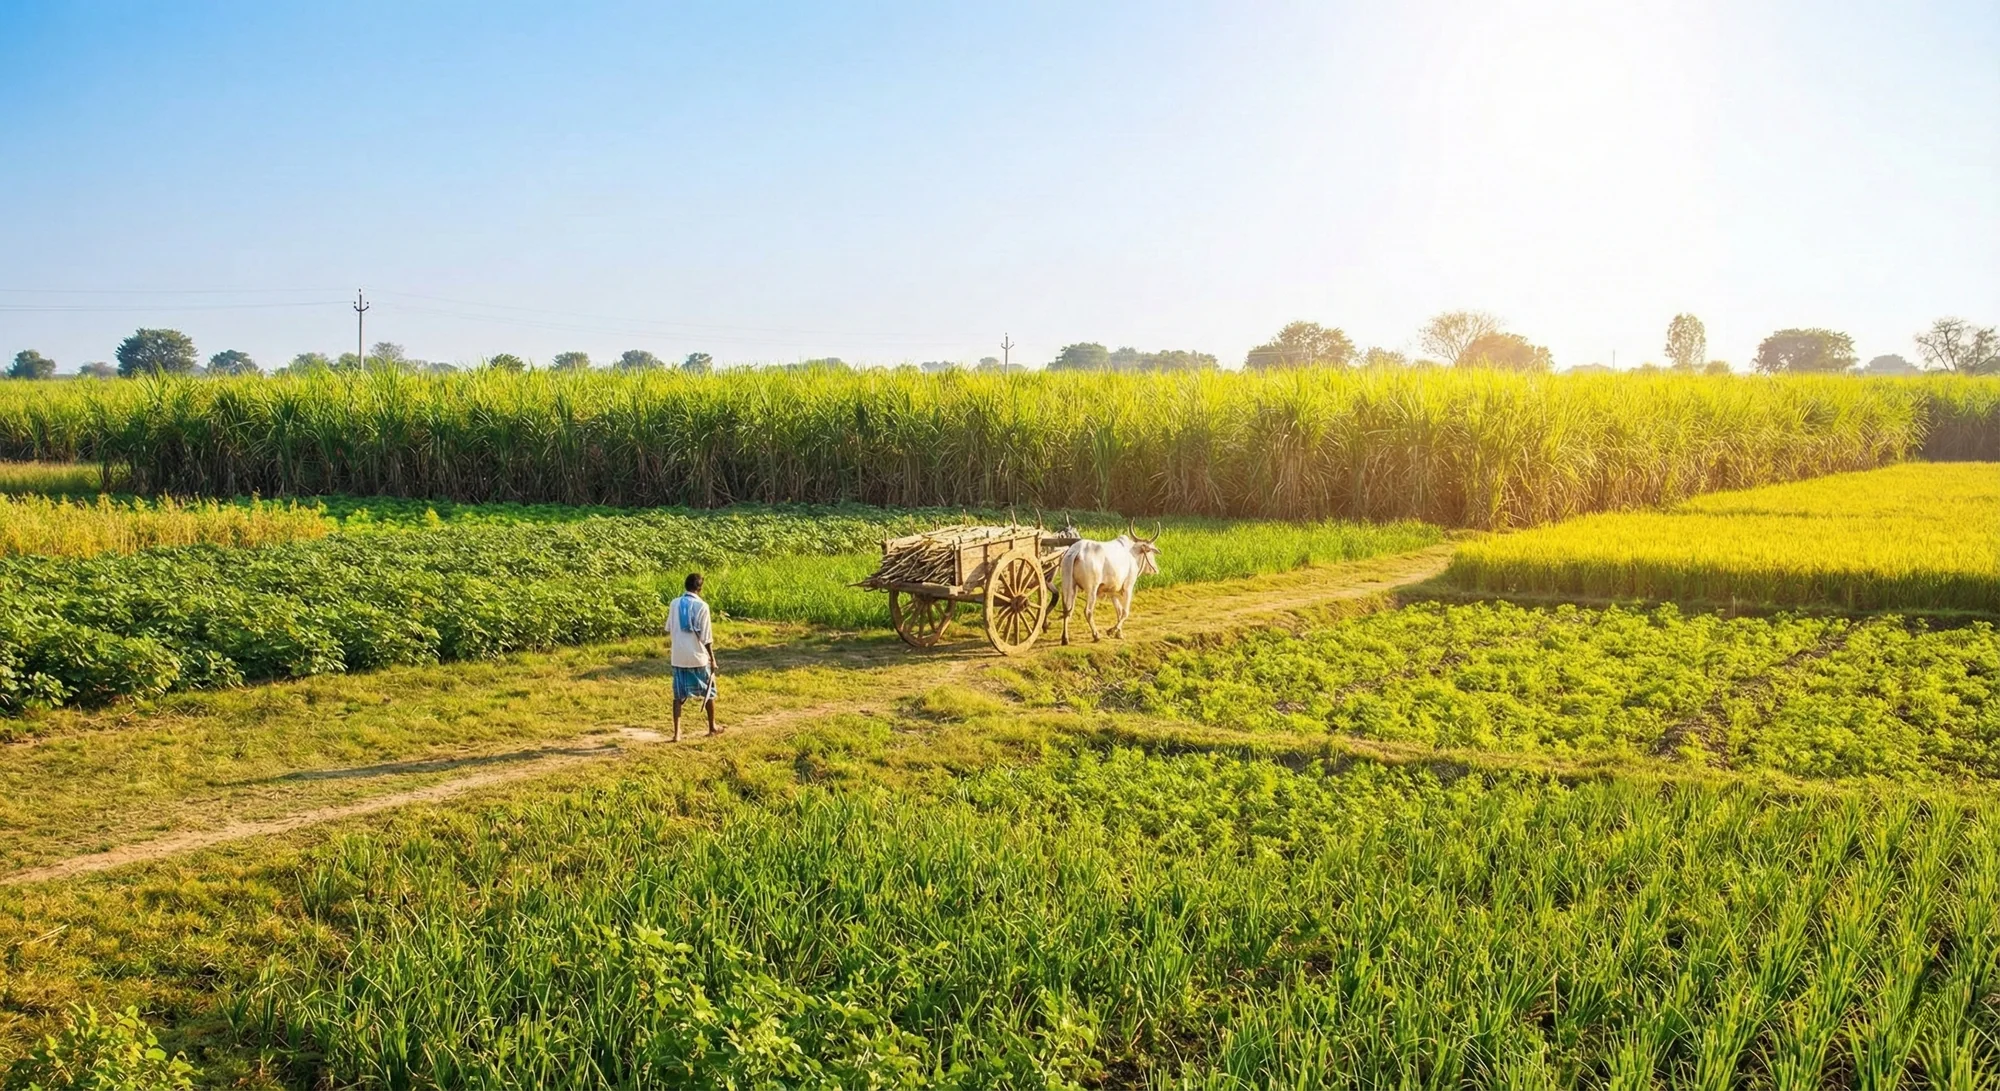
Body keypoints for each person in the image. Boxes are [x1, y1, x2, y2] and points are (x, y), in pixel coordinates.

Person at [668, 572, 718, 741]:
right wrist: (712, 658)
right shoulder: (702, 606)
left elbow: (669, 628)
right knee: (708, 691)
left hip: (678, 656)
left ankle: (677, 733)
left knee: (678, 695)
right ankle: (712, 727)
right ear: (700, 588)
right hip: (698, 656)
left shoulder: (674, 604)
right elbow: (707, 637)